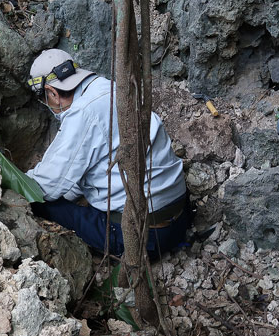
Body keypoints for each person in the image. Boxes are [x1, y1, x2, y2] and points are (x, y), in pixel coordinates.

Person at [25, 48, 191, 260]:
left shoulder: (82, 113)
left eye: (45, 98)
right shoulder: (113, 88)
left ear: (53, 93)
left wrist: (13, 181)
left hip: (145, 237)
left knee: (45, 203)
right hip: (181, 217)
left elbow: (45, 186)